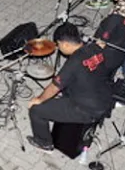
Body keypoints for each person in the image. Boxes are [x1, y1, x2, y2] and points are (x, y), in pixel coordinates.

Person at [26, 23, 114, 153]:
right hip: (105, 97)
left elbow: (55, 87)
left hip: (87, 110)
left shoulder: (74, 62)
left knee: (36, 110)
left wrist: (39, 99)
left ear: (65, 44)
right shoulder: (95, 48)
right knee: (68, 86)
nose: (58, 48)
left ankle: (44, 143)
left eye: (58, 45)